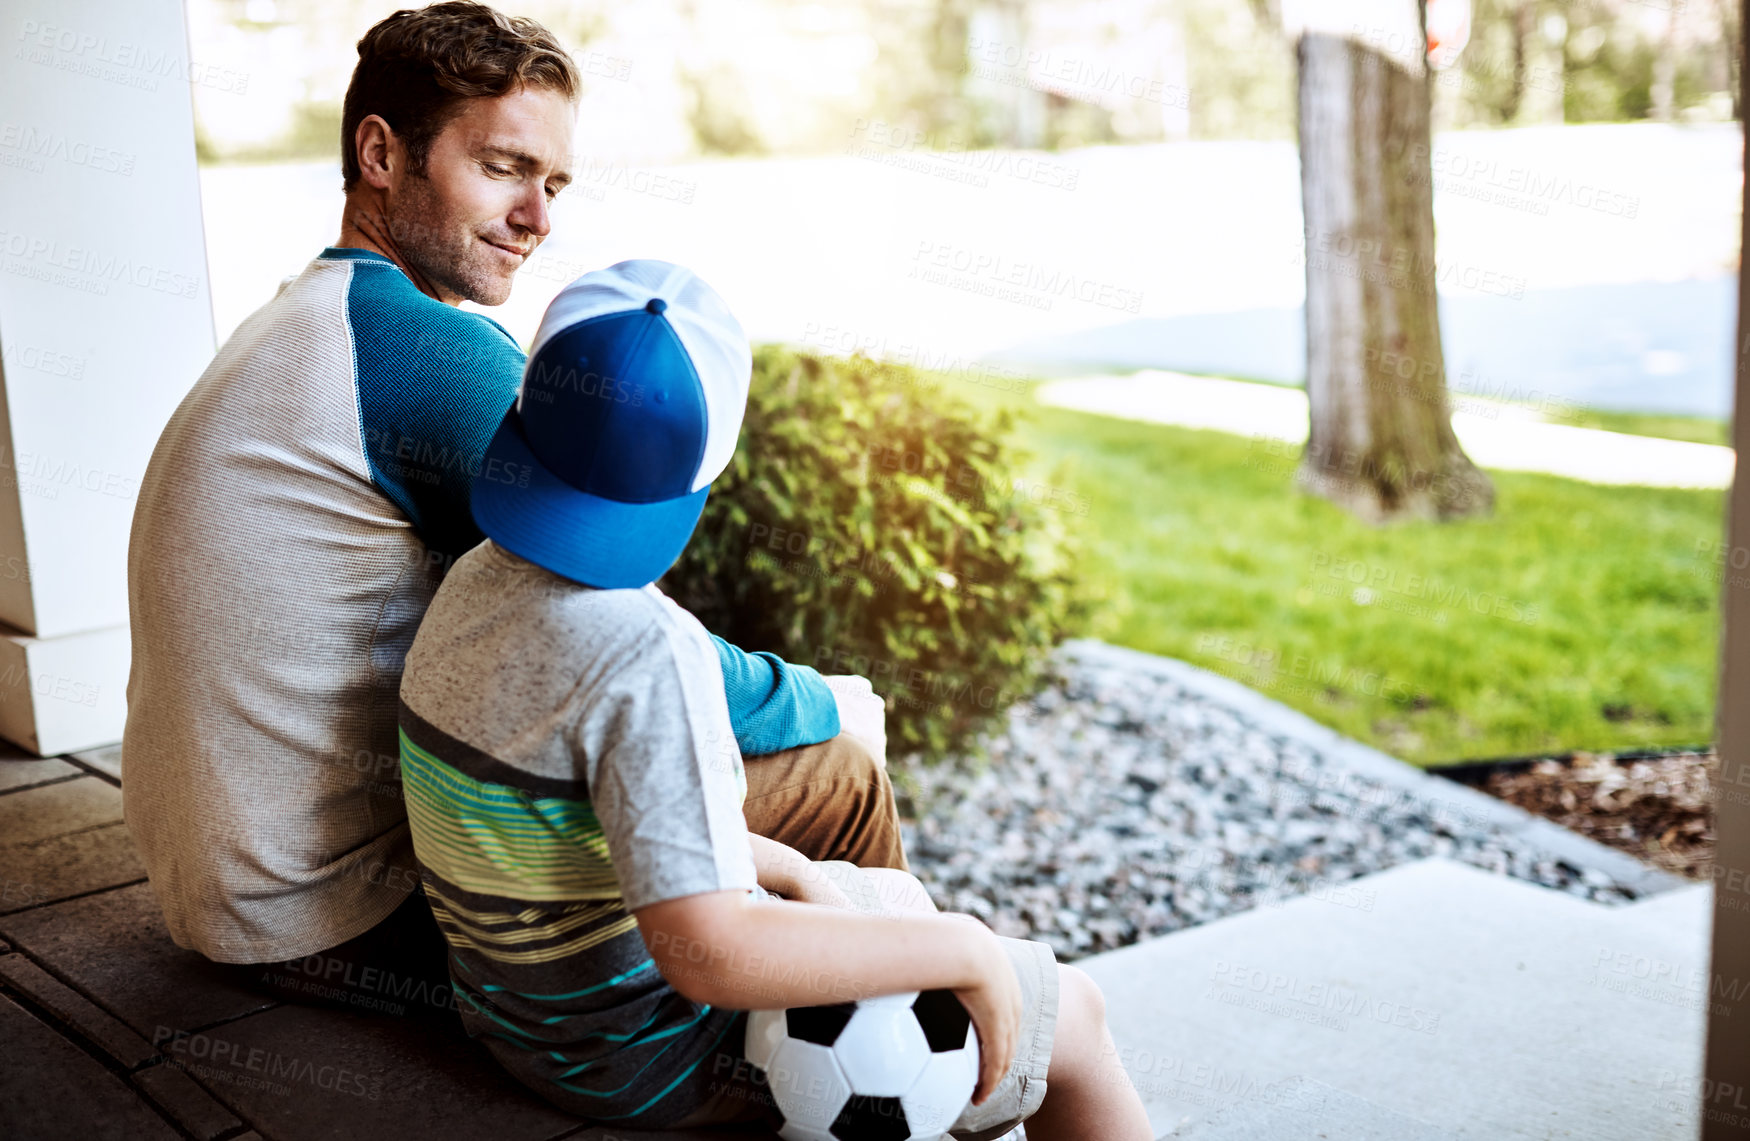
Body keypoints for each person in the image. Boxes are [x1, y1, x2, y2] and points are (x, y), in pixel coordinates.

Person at [121, 1, 899, 1020]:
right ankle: (905, 1053)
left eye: (554, 182)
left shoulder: (312, 320)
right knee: (835, 772)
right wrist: (829, 698)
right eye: (502, 168)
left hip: (226, 889)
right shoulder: (417, 354)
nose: (540, 218)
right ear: (380, 154)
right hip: (331, 913)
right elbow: (618, 638)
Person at [398, 259, 1153, 1139]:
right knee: (1079, 1014)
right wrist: (965, 951)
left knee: (877, 907)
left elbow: (563, 835)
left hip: (523, 1026)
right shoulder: (648, 652)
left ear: (527, 406)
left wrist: (785, 866)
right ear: (708, 463)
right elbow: (708, 952)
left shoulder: (469, 587)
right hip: (649, 1057)